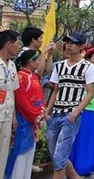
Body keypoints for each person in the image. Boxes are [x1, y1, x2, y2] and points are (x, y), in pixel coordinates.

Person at [45, 32, 94, 179]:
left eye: (72, 43)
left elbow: (90, 93)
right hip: (54, 114)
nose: (68, 45)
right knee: (55, 154)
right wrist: (47, 112)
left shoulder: (87, 67)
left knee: (59, 157)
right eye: (67, 42)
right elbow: (56, 89)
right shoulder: (59, 66)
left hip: (70, 114)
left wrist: (75, 113)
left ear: (81, 46)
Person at [5, 49, 43, 179]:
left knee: (29, 153)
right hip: (24, 119)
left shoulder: (33, 76)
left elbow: (40, 97)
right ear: (31, 62)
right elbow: (21, 101)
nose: (39, 63)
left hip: (33, 120)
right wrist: (34, 115)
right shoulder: (20, 76)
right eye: (37, 60)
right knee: (21, 152)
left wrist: (40, 112)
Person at [68, 47, 94, 176]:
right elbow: (82, 91)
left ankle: (88, 166)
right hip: (85, 108)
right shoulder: (83, 71)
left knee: (91, 138)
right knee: (82, 137)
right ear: (88, 59)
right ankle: (78, 166)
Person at [0, 30, 20, 176]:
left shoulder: (12, 65)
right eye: (17, 43)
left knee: (2, 155)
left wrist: (13, 118)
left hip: (7, 117)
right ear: (8, 44)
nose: (19, 47)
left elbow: (12, 92)